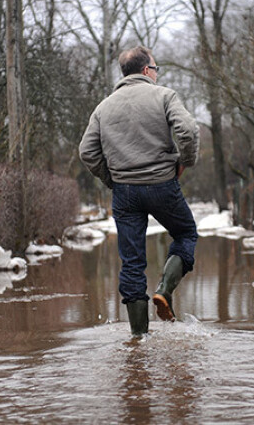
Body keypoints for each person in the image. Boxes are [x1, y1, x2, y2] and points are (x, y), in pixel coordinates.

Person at [79, 46, 199, 337]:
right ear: (147, 70)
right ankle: (164, 290)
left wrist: (112, 179)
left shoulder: (103, 108)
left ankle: (138, 338)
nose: (157, 75)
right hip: (162, 184)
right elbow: (188, 130)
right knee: (185, 234)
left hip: (125, 193)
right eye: (156, 69)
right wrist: (184, 162)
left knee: (132, 262)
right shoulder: (164, 96)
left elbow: (87, 151)